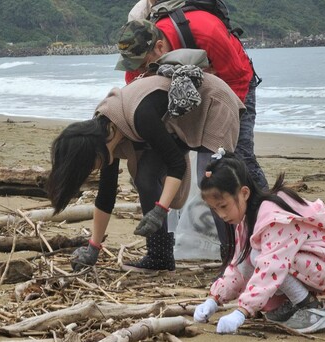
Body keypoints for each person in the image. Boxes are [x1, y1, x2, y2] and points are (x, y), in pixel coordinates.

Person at [46, 57, 245, 272]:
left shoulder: (139, 117)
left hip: (212, 103)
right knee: (145, 178)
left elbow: (176, 165)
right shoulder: (105, 132)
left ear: (94, 150)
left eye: (90, 165)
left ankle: (234, 256)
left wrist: (160, 210)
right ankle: (159, 257)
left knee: (210, 180)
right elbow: (106, 195)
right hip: (175, 124)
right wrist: (93, 247)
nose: (93, 169)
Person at [115, 18, 268, 262]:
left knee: (219, 171)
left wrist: (224, 135)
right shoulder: (138, 55)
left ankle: (249, 244)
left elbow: (237, 80)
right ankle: (160, 255)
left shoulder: (207, 32)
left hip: (224, 95)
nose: (139, 68)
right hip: (177, 111)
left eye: (143, 63)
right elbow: (141, 91)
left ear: (160, 47)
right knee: (147, 173)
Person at [193, 149, 325, 334]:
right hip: (306, 264)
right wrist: (214, 298)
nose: (221, 215)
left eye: (223, 206)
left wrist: (242, 311)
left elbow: (272, 267)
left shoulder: (272, 218)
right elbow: (238, 265)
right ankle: (293, 304)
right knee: (248, 258)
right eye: (215, 209)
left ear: (244, 193)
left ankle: (310, 308)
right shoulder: (247, 218)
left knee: (258, 255)